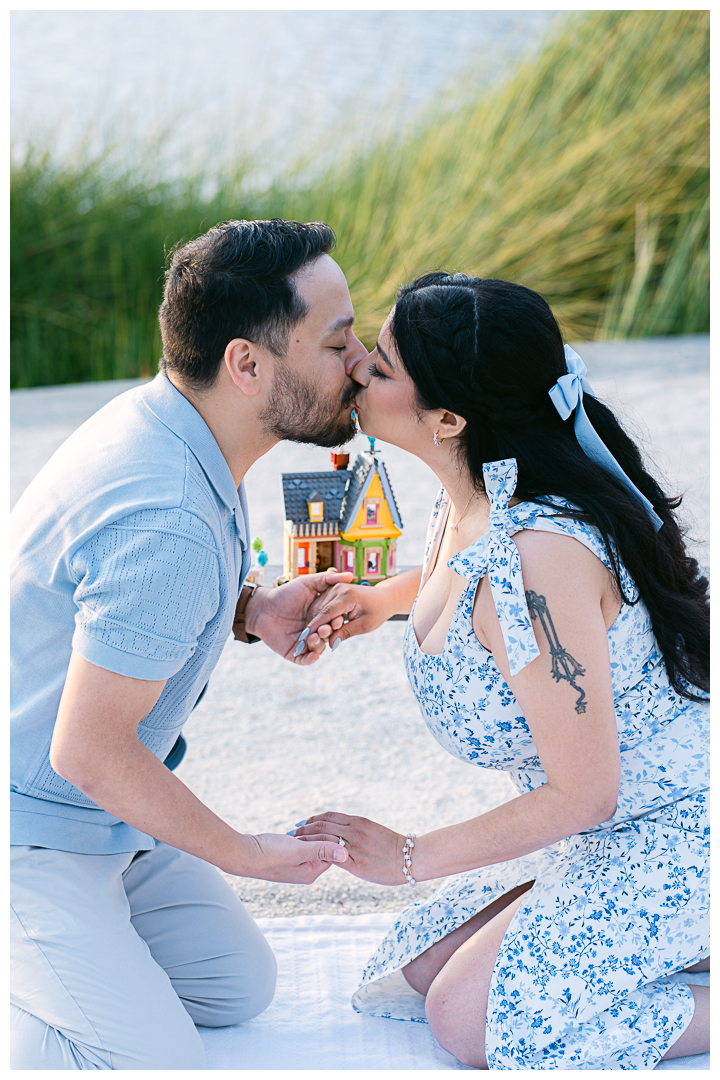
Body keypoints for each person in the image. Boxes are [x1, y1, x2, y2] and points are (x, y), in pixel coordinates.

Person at [296, 273, 710, 1070]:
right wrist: (382, 601)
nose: (356, 370)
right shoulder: (483, 492)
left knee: (468, 1020)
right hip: (604, 833)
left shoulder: (536, 560)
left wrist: (410, 855)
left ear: (449, 419)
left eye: (381, 368)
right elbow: (472, 584)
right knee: (418, 968)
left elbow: (587, 793)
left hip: (676, 829)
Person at [10, 219, 362, 1070]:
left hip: (102, 822)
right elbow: (90, 750)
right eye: (337, 342)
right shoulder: (165, 510)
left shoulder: (176, 425)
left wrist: (253, 609)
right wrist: (247, 855)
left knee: (233, 987)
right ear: (247, 365)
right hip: (27, 827)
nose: (360, 363)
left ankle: (66, 951)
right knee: (156, 1063)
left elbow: (118, 589)